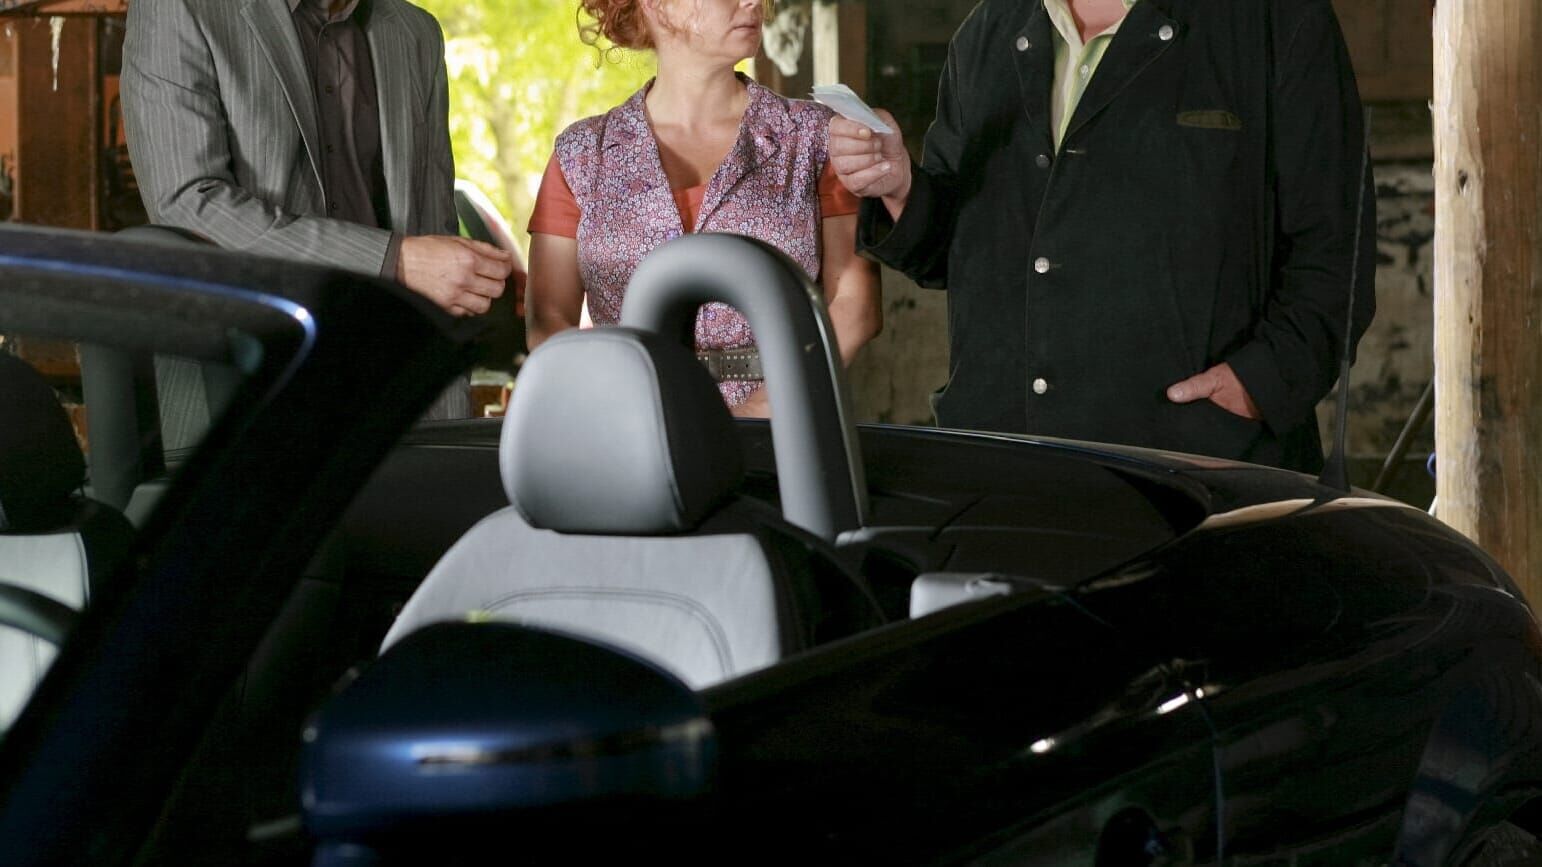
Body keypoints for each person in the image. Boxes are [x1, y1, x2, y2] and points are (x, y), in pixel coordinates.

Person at [829, 0, 1376, 471]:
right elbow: (955, 250)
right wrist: (901, 187)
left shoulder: (1275, 19)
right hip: (1005, 459)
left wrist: (1261, 383)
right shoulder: (989, 30)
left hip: (1199, 462)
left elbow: (1338, 244)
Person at [120, 0, 517, 418]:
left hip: (393, 389)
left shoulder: (417, 33)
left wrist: (446, 412)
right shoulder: (180, 8)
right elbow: (187, 204)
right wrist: (393, 262)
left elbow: (435, 235)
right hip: (247, 392)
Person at [525, 0, 882, 417]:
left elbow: (856, 305)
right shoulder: (582, 154)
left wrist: (762, 409)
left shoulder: (818, 138)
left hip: (789, 422)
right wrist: (613, 404)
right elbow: (548, 318)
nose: (753, 2)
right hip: (628, 423)